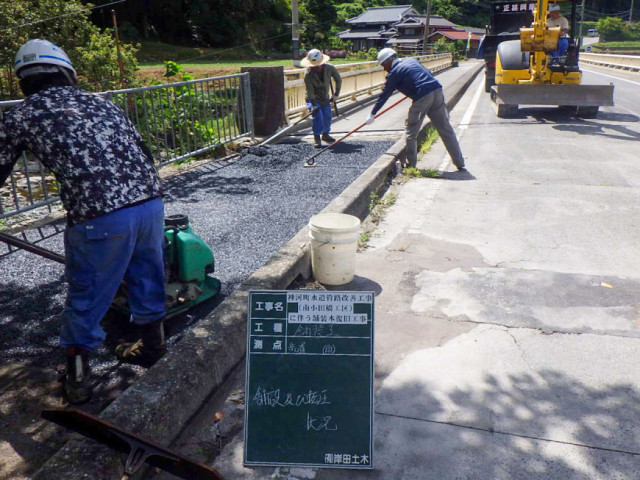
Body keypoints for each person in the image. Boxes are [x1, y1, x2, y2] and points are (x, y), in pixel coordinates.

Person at [0, 39, 167, 404]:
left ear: (23, 81)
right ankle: (154, 347)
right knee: (147, 275)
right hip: (150, 203)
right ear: (67, 73)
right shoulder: (101, 102)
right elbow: (144, 152)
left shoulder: (20, 115)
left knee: (87, 295)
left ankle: (77, 381)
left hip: (100, 217)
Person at [366, 48, 466, 171]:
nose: (383, 68)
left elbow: (384, 95)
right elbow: (426, 73)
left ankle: (411, 165)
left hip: (423, 96)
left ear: (388, 60)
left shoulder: (393, 73)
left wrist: (372, 113)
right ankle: (459, 162)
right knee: (445, 128)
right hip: (436, 90)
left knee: (411, 132)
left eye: (383, 65)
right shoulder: (410, 61)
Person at [302, 49, 342, 148]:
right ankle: (316, 137)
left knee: (327, 115)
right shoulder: (308, 74)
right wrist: (314, 105)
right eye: (314, 66)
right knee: (317, 116)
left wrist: (336, 93)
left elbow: (338, 79)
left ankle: (325, 134)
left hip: (325, 97)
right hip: (313, 98)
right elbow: (310, 90)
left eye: (318, 65)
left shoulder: (329, 68)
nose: (316, 67)